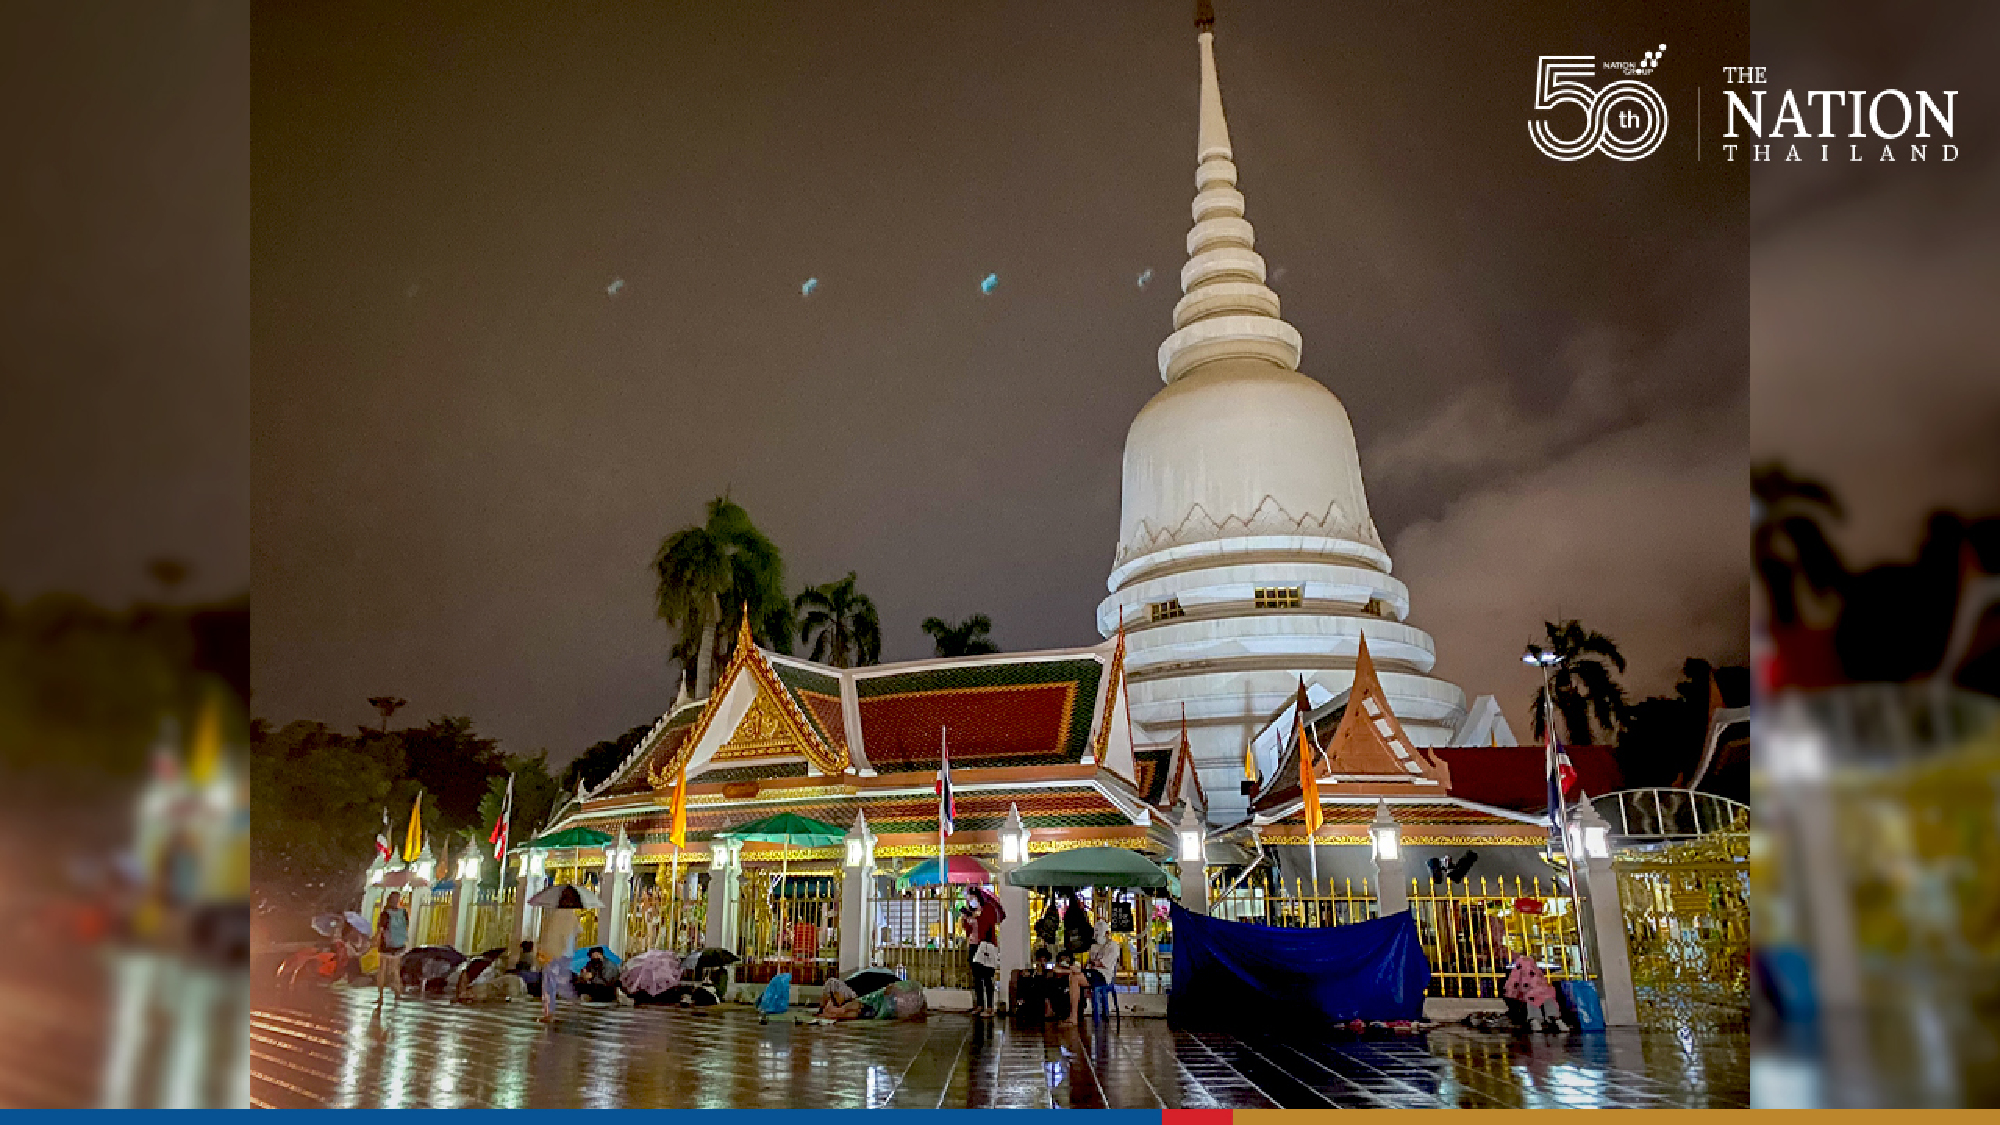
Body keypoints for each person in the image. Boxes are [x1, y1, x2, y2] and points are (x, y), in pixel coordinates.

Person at [1502, 950, 1569, 1033]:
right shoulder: (1535, 972)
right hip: (1536, 994)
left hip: (1530, 994)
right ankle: (1555, 1019)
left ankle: (1537, 1020)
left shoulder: (1519, 971)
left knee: (1534, 999)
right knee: (1542, 999)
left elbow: (1512, 985)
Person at [963, 887, 1004, 1017]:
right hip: (974, 946)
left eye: (972, 898)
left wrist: (977, 918)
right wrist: (967, 920)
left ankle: (990, 1007)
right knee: (977, 978)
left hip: (986, 946)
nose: (970, 902)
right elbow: (969, 931)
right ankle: (980, 1005)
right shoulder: (971, 912)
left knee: (987, 978)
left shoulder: (987, 909)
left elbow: (987, 926)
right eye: (968, 900)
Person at [374, 891, 409, 1005]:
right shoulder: (403, 913)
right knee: (395, 971)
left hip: (386, 947)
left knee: (382, 971)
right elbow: (405, 928)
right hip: (399, 947)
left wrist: (375, 941)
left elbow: (381, 931)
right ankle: (397, 994)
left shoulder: (385, 914)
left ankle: (380, 996)